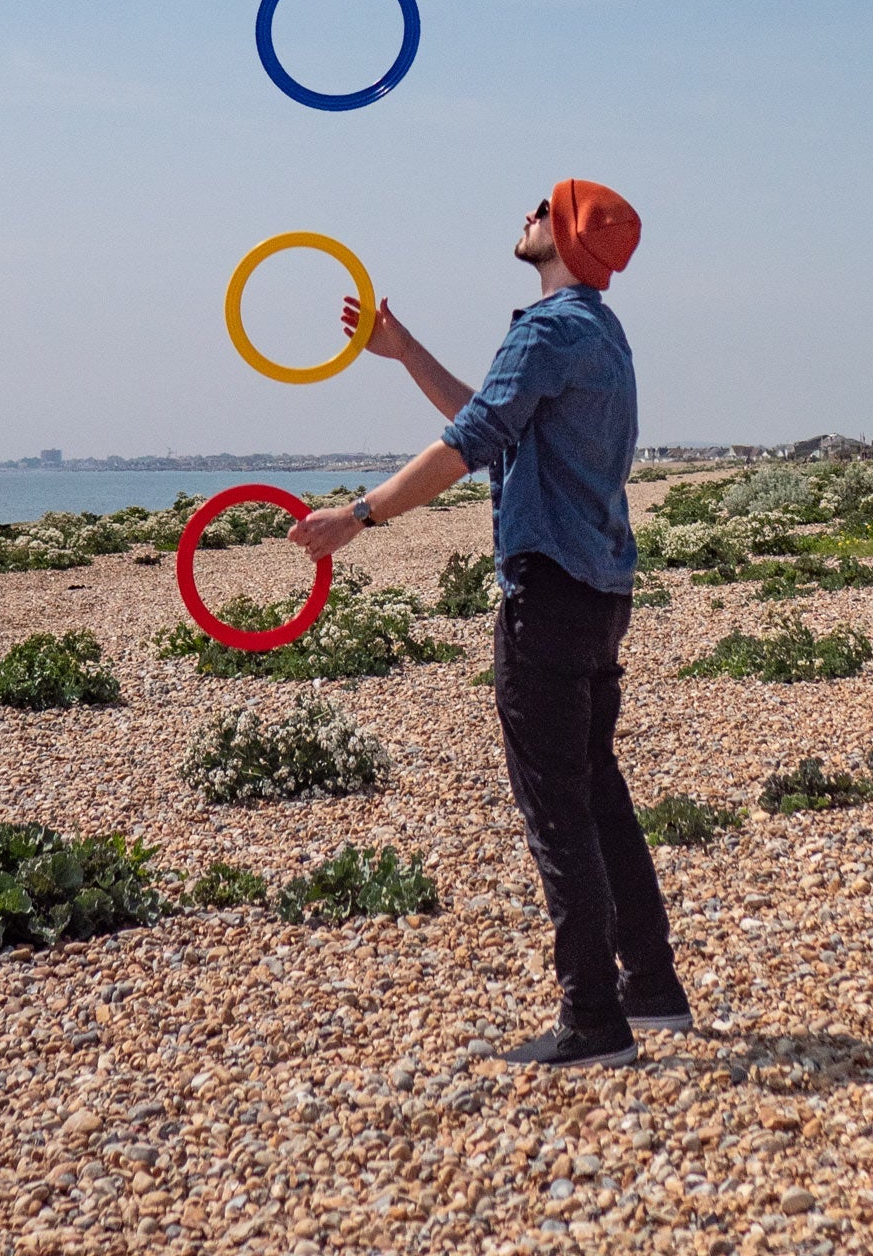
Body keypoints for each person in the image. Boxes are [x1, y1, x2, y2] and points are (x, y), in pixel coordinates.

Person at [288, 178, 689, 1068]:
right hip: (600, 589)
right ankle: (651, 987)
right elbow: (496, 422)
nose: (527, 213)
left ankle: (593, 1020)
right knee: (596, 787)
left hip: (548, 593)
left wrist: (354, 520)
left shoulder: (549, 331)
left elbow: (468, 445)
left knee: (558, 804)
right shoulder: (598, 333)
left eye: (543, 207)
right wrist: (401, 349)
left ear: (567, 233)